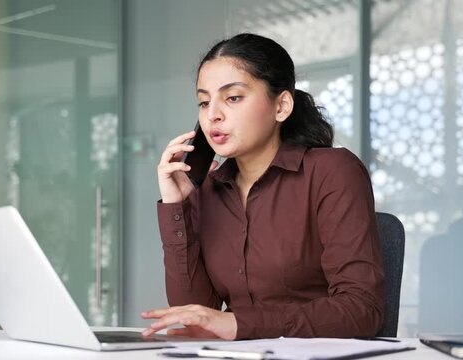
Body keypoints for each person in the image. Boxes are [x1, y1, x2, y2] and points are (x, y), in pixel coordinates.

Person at [141, 33, 385, 340]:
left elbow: (362, 310)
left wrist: (240, 325)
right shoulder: (209, 190)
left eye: (233, 98)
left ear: (281, 105)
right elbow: (196, 312)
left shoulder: (331, 171)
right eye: (204, 102)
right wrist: (177, 206)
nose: (212, 115)